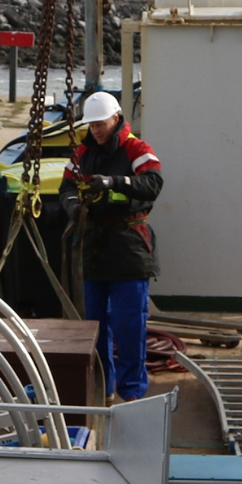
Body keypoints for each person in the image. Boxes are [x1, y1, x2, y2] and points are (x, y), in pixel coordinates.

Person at [65, 91, 163, 403]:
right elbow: (66, 187)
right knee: (95, 323)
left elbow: (152, 185)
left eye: (100, 124)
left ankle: (131, 393)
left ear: (116, 118)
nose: (95, 130)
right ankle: (104, 388)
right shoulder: (82, 152)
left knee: (129, 323)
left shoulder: (137, 148)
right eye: (91, 125)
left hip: (129, 248)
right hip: (94, 248)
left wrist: (113, 183)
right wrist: (71, 207)